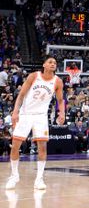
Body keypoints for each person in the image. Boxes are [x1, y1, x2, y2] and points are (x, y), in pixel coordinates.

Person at [5, 57, 65, 190]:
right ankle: (14, 176)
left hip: (41, 117)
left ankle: (39, 179)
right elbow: (21, 95)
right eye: (50, 62)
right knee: (15, 146)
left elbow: (60, 100)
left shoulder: (57, 81)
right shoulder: (34, 76)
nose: (52, 64)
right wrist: (15, 112)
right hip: (25, 114)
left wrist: (62, 113)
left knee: (42, 148)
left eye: (54, 63)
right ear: (44, 64)